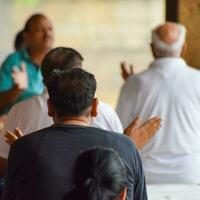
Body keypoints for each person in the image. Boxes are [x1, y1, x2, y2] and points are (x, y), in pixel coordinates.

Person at [0, 47, 160, 176]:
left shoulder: (21, 118)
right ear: (94, 108)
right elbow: (117, 179)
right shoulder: (108, 117)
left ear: (50, 108)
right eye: (80, 72)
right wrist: (128, 148)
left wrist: (22, 154)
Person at [2, 68, 148, 200]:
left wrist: (26, 150)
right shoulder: (125, 145)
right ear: (95, 107)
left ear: (50, 107)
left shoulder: (23, 147)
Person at [116, 22, 200, 184]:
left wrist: (132, 84)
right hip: (191, 173)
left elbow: (120, 132)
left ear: (152, 48)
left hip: (147, 177)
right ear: (184, 48)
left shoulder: (133, 84)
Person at [0, 13, 54, 114]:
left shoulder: (60, 60)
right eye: (40, 30)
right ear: (26, 36)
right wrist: (16, 89)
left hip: (52, 125)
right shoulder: (13, 61)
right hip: (19, 125)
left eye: (50, 29)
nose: (47, 34)